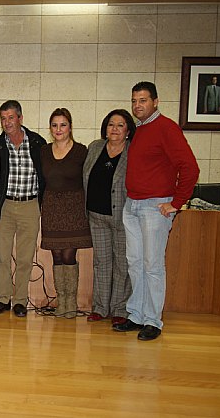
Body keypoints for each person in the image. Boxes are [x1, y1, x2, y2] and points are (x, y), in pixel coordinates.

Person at [114, 81, 199, 341]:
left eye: (143, 100)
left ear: (155, 102)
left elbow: (190, 168)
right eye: (134, 101)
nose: (137, 105)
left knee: (152, 265)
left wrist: (176, 203)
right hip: (133, 205)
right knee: (135, 263)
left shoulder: (167, 128)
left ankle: (153, 320)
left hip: (155, 207)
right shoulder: (140, 130)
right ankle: (137, 315)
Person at [0, 100, 46, 318]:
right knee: (2, 256)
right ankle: (3, 298)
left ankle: (21, 300)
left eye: (11, 118)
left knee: (25, 257)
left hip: (30, 206)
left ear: (20, 118)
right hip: (3, 206)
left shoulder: (37, 142)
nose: (7, 123)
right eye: (3, 118)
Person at [82, 109, 135, 325]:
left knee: (122, 264)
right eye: (111, 124)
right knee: (101, 263)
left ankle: (120, 309)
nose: (115, 129)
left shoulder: (133, 151)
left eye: (120, 125)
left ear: (128, 131)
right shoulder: (95, 147)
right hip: (97, 216)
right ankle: (101, 308)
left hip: (123, 217)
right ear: (105, 128)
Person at [40, 108, 92, 318]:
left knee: (69, 255)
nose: (58, 129)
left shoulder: (81, 151)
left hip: (73, 208)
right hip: (52, 207)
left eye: (63, 125)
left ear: (70, 127)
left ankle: (71, 302)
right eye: (54, 125)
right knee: (56, 255)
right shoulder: (44, 151)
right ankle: (61, 301)